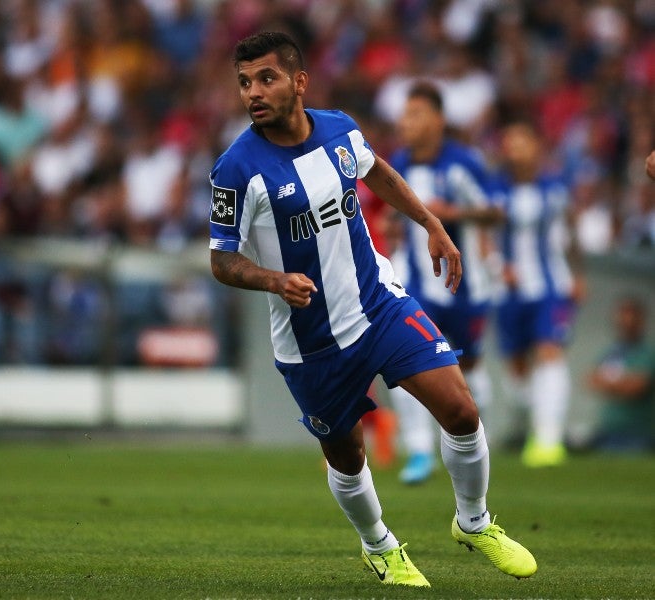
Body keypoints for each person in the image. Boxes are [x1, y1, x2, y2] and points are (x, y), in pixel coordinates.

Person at [209, 31, 536, 588]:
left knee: (461, 409)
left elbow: (376, 170)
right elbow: (221, 259)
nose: (253, 93)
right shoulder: (235, 170)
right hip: (310, 339)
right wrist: (272, 279)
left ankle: (474, 521)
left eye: (266, 78)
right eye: (244, 82)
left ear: (299, 82)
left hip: (378, 304)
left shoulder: (339, 128)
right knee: (346, 455)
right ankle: (379, 545)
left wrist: (431, 224)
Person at [386, 82, 503, 484]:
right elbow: (391, 212)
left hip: (465, 284)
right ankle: (418, 450)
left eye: (415, 114)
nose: (406, 122)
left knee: (467, 367)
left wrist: (451, 212)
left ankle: (472, 442)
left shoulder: (464, 163)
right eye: (404, 114)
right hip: (417, 282)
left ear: (438, 119)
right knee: (404, 361)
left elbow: (495, 211)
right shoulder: (398, 162)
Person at [492, 120, 583, 467]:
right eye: (509, 144)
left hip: (551, 285)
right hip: (508, 289)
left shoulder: (556, 186)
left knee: (549, 352)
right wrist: (499, 264)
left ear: (536, 147)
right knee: (516, 367)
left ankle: (548, 438)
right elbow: (483, 236)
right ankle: (532, 423)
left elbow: (571, 228)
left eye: (521, 143)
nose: (514, 151)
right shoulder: (494, 189)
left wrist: (579, 273)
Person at [587, 297, 654, 451]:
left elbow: (636, 387)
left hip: (638, 433)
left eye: (630, 317)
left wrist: (608, 382)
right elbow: (591, 379)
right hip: (607, 431)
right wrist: (622, 382)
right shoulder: (613, 351)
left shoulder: (647, 352)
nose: (624, 322)